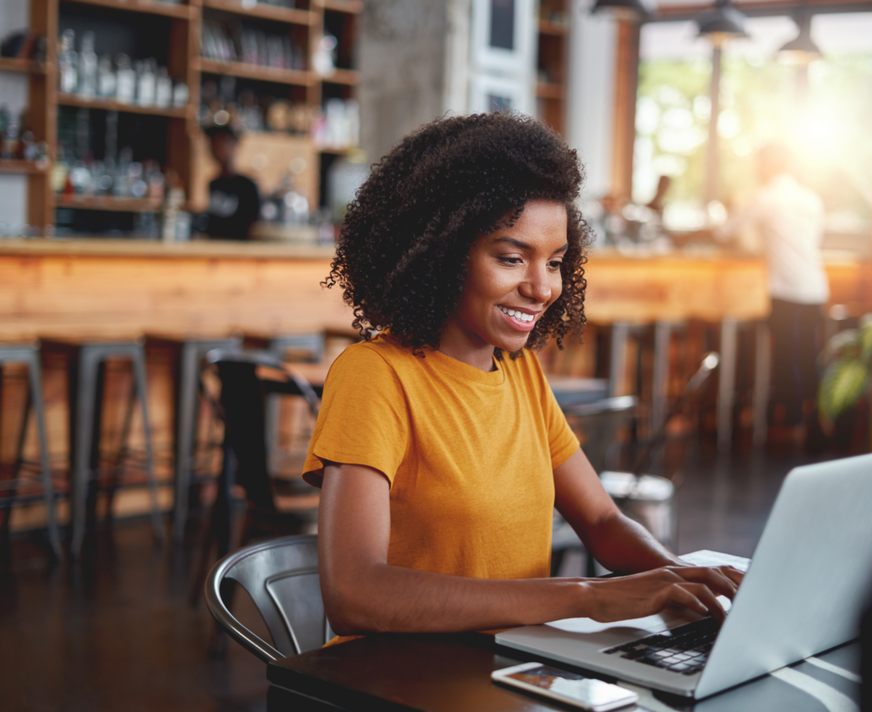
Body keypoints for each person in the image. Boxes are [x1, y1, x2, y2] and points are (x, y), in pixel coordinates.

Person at [302, 113, 742, 638]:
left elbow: (602, 523)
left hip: (514, 672)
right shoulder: (375, 377)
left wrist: (679, 575)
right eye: (512, 258)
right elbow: (355, 594)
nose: (542, 288)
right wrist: (589, 597)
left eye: (555, 262)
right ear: (441, 255)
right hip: (406, 681)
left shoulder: (519, 371)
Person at [715, 142, 829, 437]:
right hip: (815, 288)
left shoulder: (766, 197)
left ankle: (790, 422)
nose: (756, 170)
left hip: (785, 290)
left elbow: (725, 232)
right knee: (808, 356)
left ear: (768, 165)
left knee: (786, 358)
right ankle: (814, 424)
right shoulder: (811, 199)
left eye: (758, 163)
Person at [203, 124, 259, 240]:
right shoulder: (213, 183)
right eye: (213, 143)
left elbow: (255, 226)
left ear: (234, 145)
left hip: (239, 251)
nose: (216, 148)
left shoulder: (246, 185)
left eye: (221, 143)